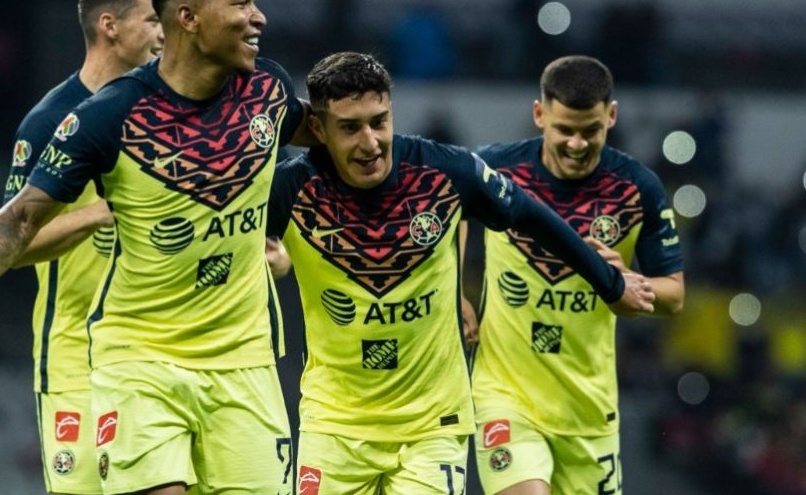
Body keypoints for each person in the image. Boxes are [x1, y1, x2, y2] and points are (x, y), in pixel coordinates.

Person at [0, 0, 308, 494]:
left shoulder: (261, 91)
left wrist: (271, 237)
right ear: (113, 25)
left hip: (238, 358)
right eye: (241, 3)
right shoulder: (78, 120)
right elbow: (19, 225)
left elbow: (288, 171)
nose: (258, 17)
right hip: (97, 356)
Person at [266, 52, 654, 494]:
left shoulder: (446, 172)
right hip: (332, 424)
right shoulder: (291, 188)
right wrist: (268, 258)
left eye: (379, 121)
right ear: (317, 129)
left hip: (433, 427)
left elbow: (533, 216)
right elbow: (233, 243)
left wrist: (610, 284)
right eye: (350, 128)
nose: (371, 142)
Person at [470, 55, 684, 495]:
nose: (577, 144)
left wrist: (626, 280)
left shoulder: (637, 187)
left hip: (588, 410)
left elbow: (674, 296)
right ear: (539, 114)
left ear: (612, 115)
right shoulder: (496, 172)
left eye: (591, 131)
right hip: (506, 397)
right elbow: (451, 212)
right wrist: (455, 292)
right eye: (564, 129)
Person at [0, 0, 162, 495]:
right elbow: (11, 248)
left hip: (155, 352)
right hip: (75, 358)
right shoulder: (47, 122)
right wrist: (95, 214)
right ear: (110, 26)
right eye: (152, 20)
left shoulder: (166, 114)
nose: (163, 34)